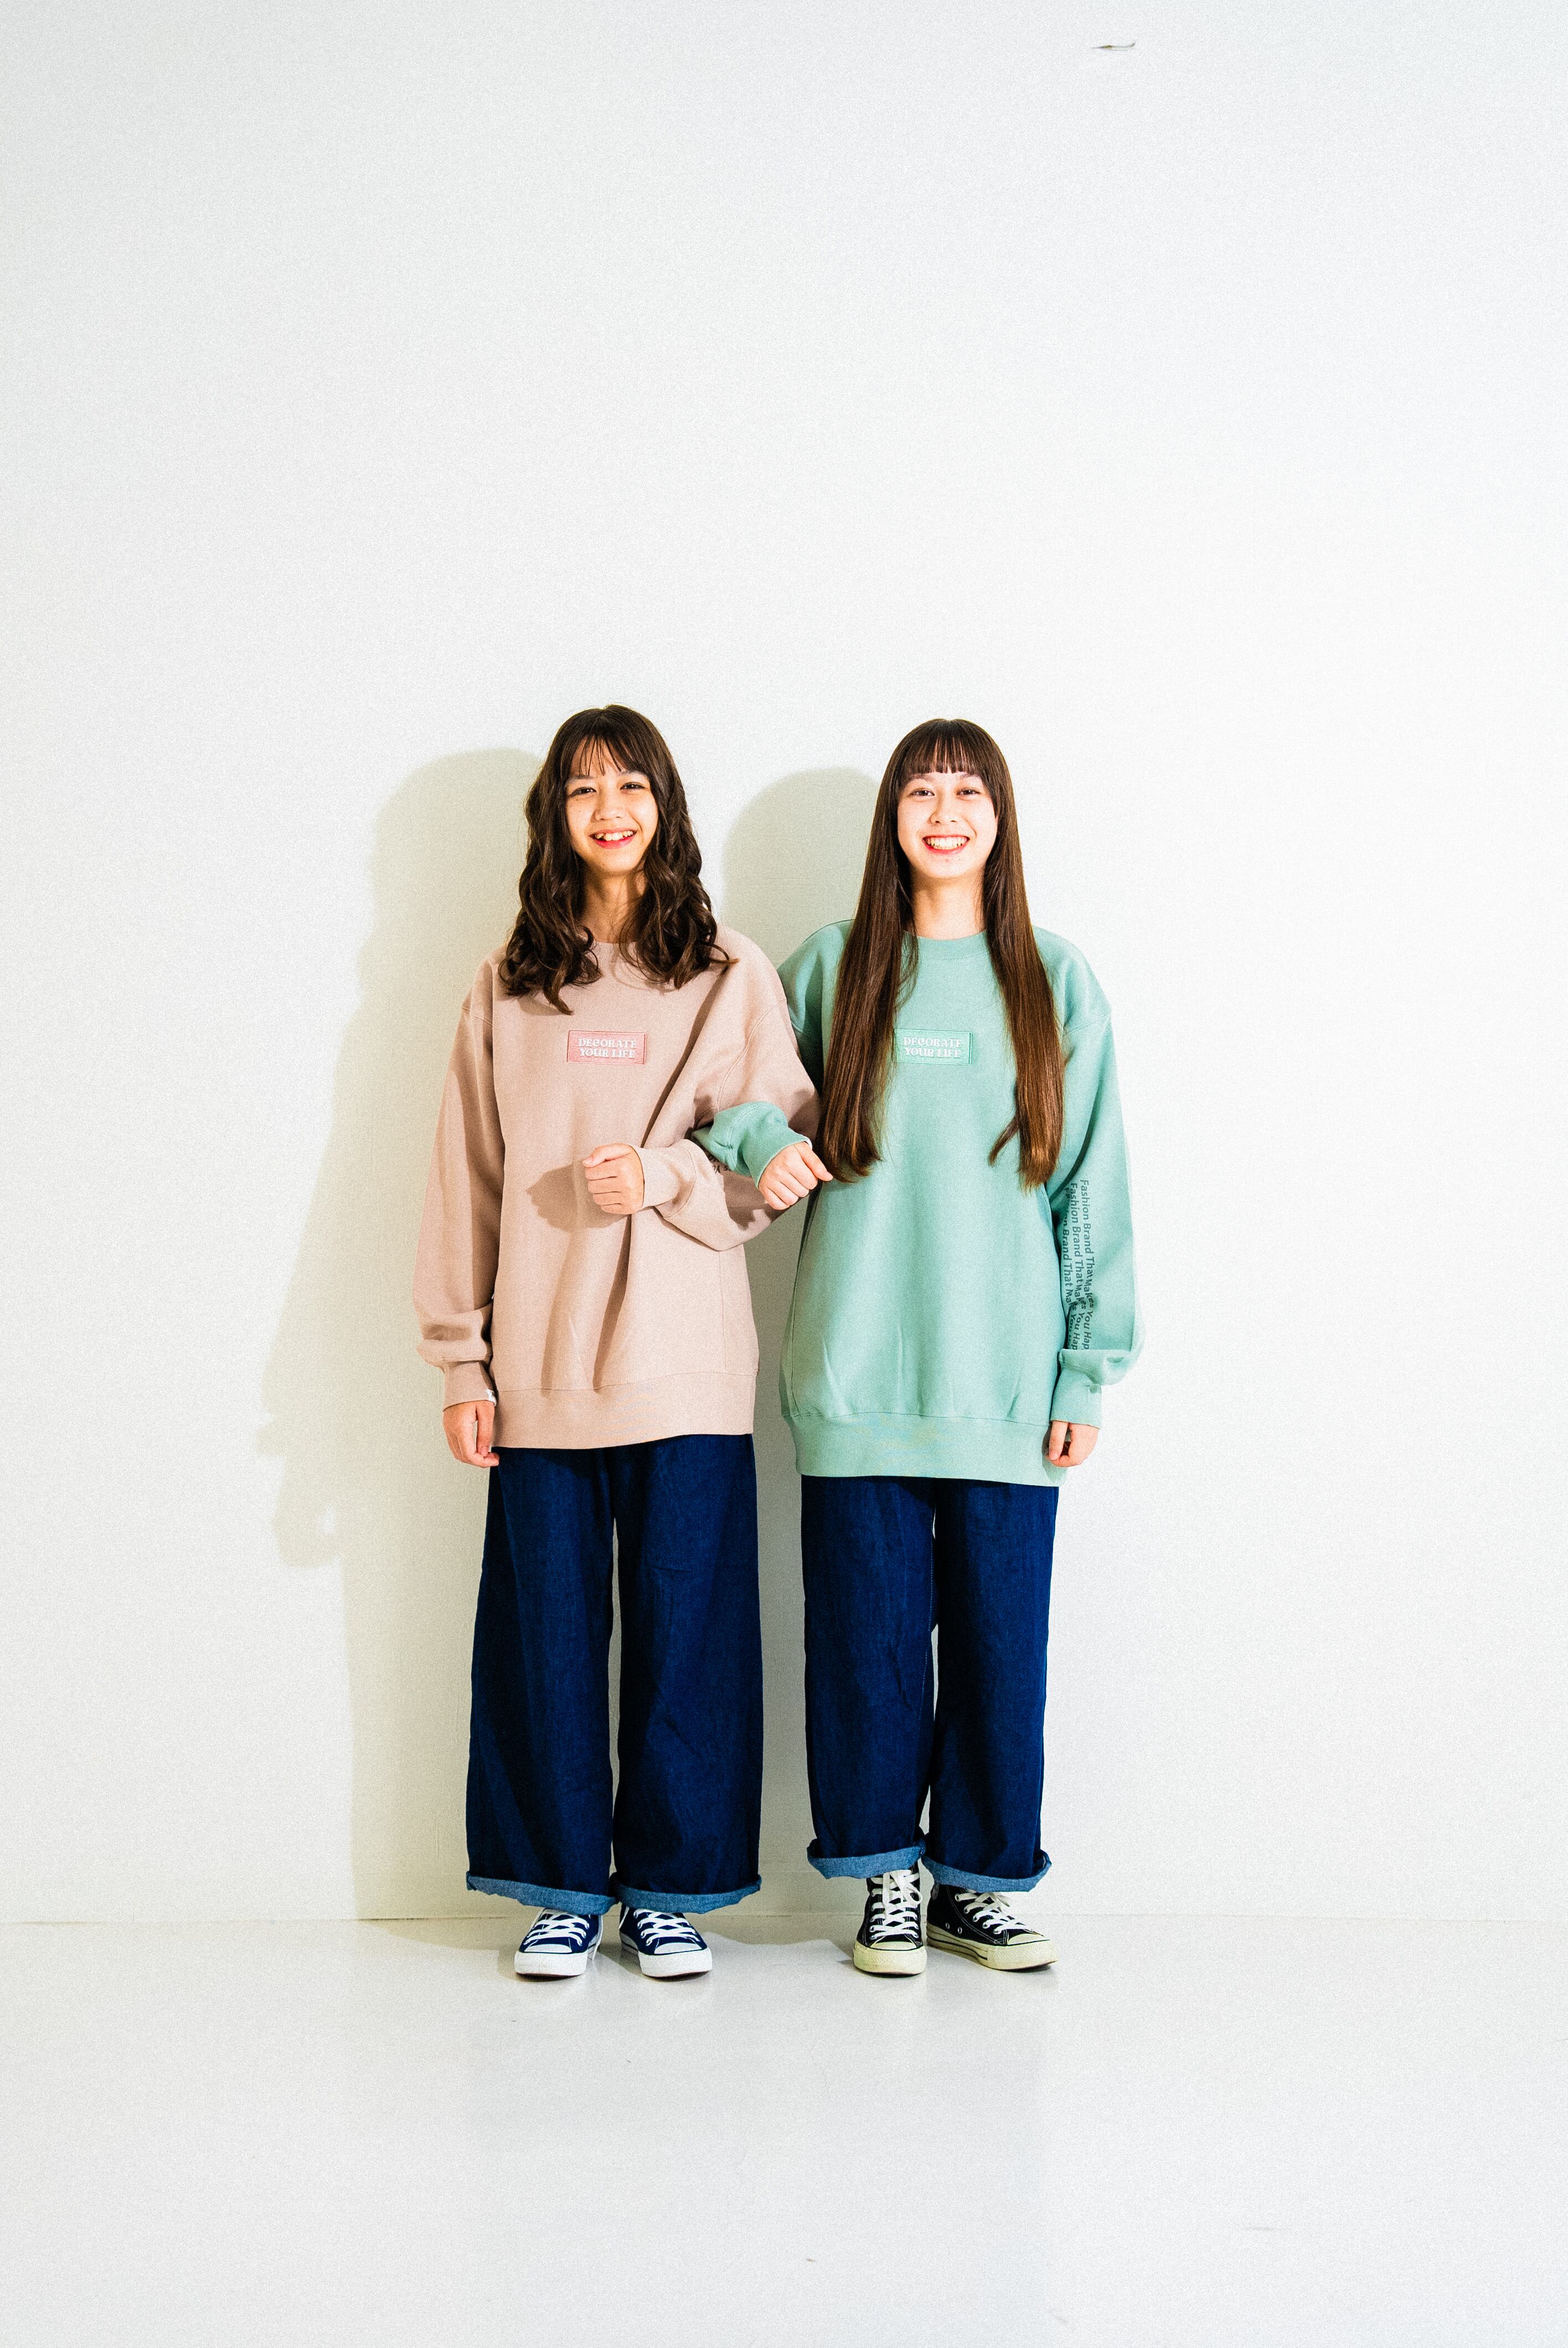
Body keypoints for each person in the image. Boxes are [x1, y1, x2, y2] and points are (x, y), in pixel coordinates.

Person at [698, 719, 1140, 1976]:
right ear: (892, 818)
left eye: (969, 791)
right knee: (867, 1646)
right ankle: (885, 1876)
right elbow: (727, 1089)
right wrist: (758, 1146)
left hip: (1007, 1384)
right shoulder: (835, 967)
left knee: (1001, 1650)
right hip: (856, 1374)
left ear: (1002, 817)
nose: (946, 813)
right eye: (922, 792)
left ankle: (978, 1884)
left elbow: (1090, 1187)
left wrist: (1085, 1367)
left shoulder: (1054, 980)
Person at [415, 706, 813, 1981]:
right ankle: (559, 1889)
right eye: (584, 787)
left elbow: (770, 1157)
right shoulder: (509, 981)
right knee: (544, 1640)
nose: (609, 808)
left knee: (689, 1638)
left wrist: (663, 1175)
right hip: (540, 1363)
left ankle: (671, 1890)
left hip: (687, 1361)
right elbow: (467, 1177)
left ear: (665, 804)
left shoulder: (729, 972)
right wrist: (461, 1356)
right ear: (556, 813)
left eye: (632, 784)